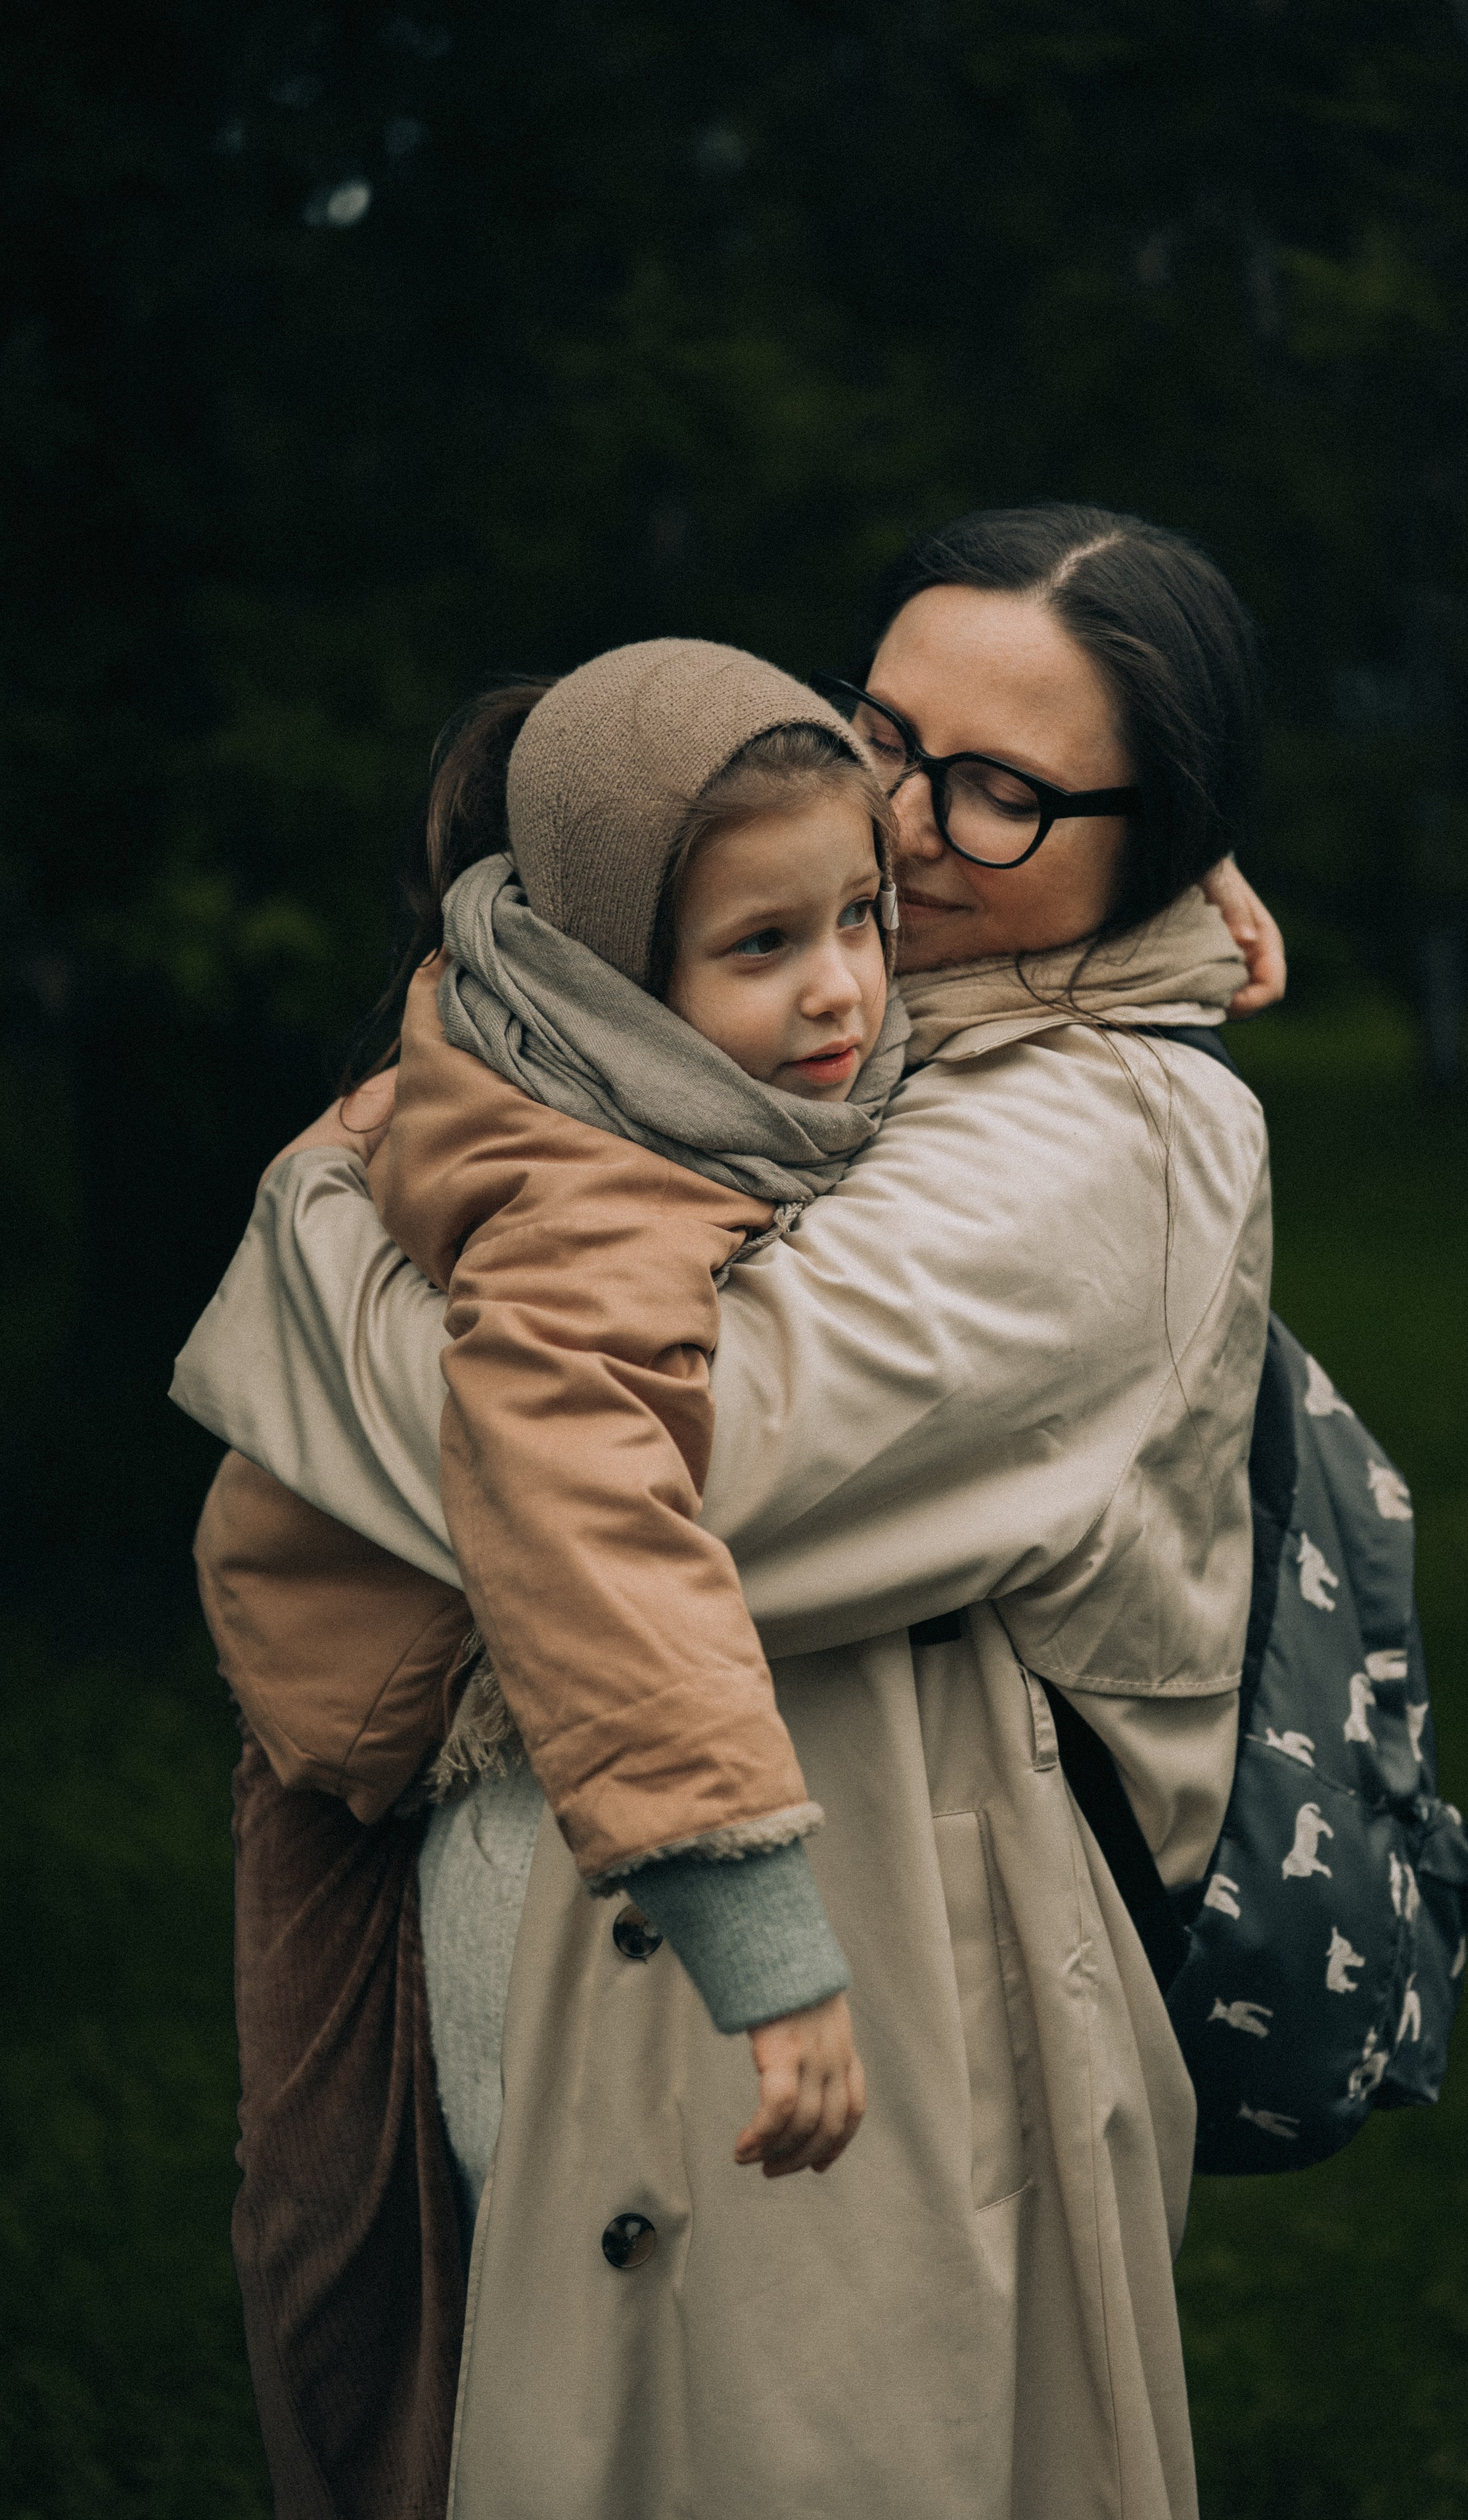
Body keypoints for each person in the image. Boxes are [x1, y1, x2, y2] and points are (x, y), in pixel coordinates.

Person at [175, 503, 1283, 2520]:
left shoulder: (1107, 1127)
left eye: (1007, 793)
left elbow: (640, 1455)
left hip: (861, 1995)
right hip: (605, 1945)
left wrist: (311, 1227)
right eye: (884, 736)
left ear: (1162, 826)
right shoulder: (864, 1003)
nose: (912, 824)